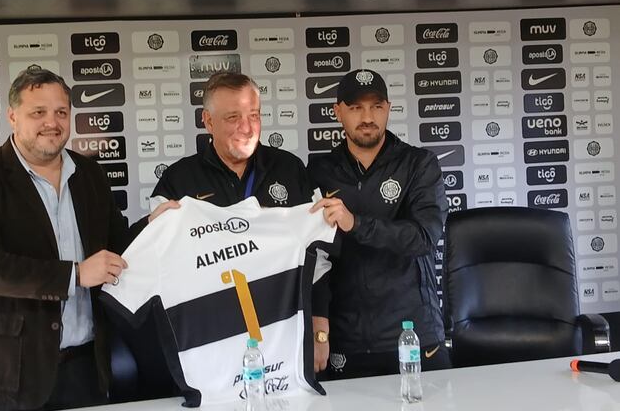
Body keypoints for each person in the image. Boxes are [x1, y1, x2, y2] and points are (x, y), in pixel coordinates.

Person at [0, 68, 175, 411]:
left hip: (83, 369)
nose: (51, 122)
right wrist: (75, 275)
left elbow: (115, 248)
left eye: (61, 112)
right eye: (38, 112)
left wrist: (152, 225)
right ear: (13, 117)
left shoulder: (90, 174)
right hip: (7, 376)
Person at [150, 71, 334, 372]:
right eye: (233, 117)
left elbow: (319, 256)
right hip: (212, 342)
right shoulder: (178, 181)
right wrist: (152, 229)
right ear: (208, 121)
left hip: (286, 334)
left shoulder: (290, 169)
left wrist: (319, 326)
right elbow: (157, 264)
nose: (247, 128)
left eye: (254, 116)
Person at [308, 68, 450, 378]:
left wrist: (355, 223)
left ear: (388, 109)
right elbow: (314, 257)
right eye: (356, 107)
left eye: (376, 106)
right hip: (345, 338)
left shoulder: (418, 164)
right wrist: (319, 330)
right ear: (338, 112)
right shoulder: (319, 171)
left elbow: (424, 237)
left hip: (414, 333)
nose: (367, 117)